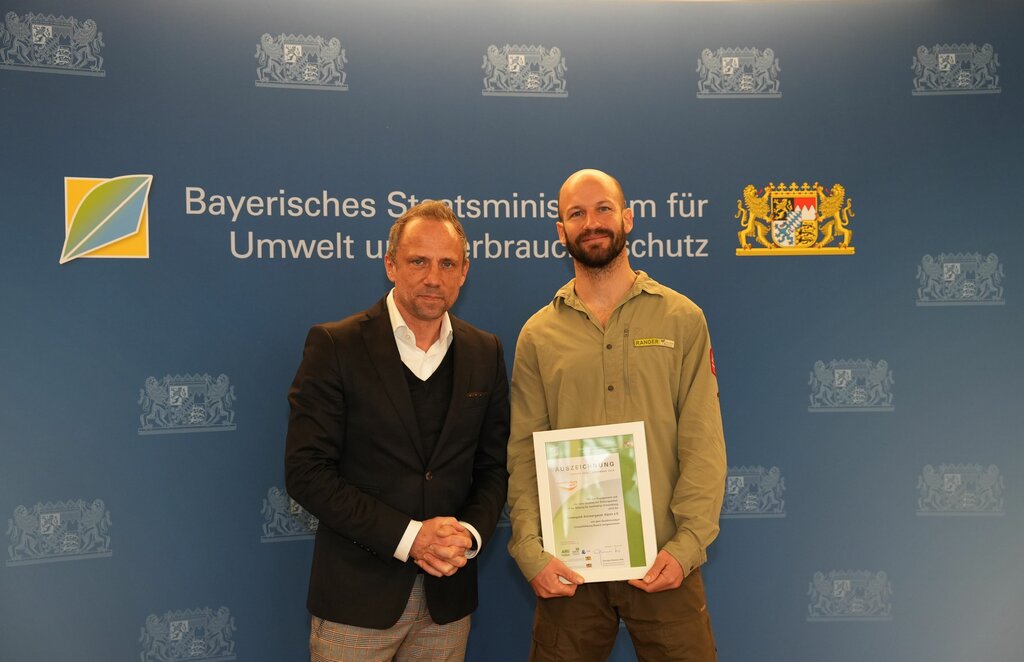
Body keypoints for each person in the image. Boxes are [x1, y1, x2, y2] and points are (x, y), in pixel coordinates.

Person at [506, 169, 726, 661]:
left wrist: (687, 544)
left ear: (627, 218)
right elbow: (522, 452)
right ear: (561, 231)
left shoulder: (682, 318)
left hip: (665, 561)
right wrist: (529, 549)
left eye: (603, 208)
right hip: (569, 569)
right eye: (576, 213)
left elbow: (703, 440)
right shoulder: (538, 336)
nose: (592, 222)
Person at [285, 200, 510, 661]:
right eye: (418, 261)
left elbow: (492, 467)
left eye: (447, 263)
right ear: (391, 265)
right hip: (356, 602)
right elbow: (307, 472)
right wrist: (410, 538)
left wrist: (467, 534)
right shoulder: (335, 345)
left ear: (465, 271)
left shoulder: (484, 351)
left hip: (448, 601)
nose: (433, 276)